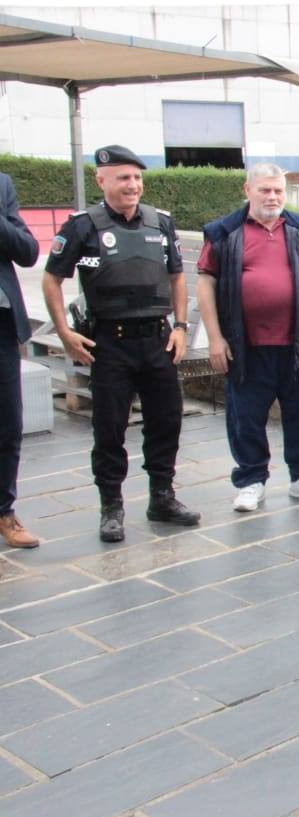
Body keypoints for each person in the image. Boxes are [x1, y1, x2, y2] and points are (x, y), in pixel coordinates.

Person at [41, 145, 200, 543]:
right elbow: (51, 279)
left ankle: (161, 497)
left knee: (166, 422)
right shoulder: (82, 226)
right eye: (124, 178)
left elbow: (178, 276)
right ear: (102, 180)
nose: (133, 186)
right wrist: (64, 332)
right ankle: (111, 506)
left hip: (158, 342)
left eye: (137, 178)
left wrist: (180, 326)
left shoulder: (160, 223)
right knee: (109, 430)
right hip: (109, 344)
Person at [195, 163, 299, 512]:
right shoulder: (223, 233)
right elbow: (206, 283)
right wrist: (214, 338)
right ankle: (251, 480)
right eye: (265, 190)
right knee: (245, 417)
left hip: (297, 343)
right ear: (248, 190)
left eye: (278, 191)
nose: (273, 197)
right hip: (246, 346)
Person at [0, 171, 40, 549]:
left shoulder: (2, 185)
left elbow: (28, 252)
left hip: (1, 324)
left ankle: (4, 512)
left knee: (8, 425)